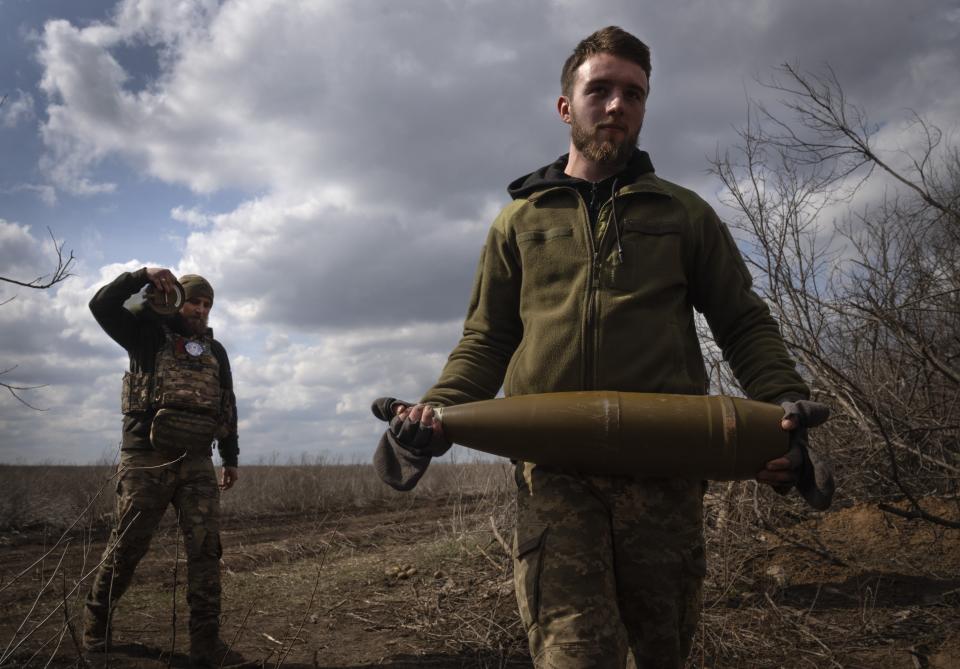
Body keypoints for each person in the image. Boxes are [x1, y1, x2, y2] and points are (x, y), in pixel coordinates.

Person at [375, 26, 831, 669]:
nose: (617, 104)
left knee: (662, 652)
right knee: (572, 656)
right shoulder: (518, 222)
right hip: (554, 476)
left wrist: (783, 403)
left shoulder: (686, 215)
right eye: (601, 89)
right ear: (567, 105)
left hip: (666, 472)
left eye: (633, 93)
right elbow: (487, 338)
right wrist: (436, 411)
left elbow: (742, 322)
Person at [83, 268, 239, 668]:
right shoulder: (146, 333)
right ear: (177, 299)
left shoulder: (215, 350)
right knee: (128, 546)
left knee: (205, 550)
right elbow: (101, 304)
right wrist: (143, 276)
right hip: (146, 458)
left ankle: (206, 643)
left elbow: (226, 403)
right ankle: (95, 627)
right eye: (193, 301)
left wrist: (230, 457)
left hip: (198, 459)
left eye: (206, 304)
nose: (200, 310)